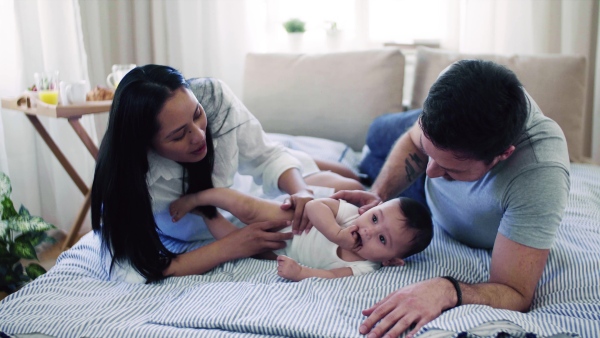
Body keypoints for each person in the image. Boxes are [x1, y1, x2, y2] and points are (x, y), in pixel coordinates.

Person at [333, 59, 570, 338]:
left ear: (503, 154)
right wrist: (379, 195)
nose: (431, 172)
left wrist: (446, 289)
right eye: (430, 154)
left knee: (372, 154)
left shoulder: (540, 175)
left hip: (421, 211)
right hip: (409, 176)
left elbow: (516, 291)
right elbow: (414, 141)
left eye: (450, 168)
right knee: (376, 134)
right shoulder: (453, 85)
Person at [90, 64, 362, 283]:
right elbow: (136, 270)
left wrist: (300, 191)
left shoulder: (214, 98)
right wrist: (233, 246)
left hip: (251, 189)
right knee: (345, 181)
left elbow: (266, 156)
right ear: (146, 145)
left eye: (197, 115)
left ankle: (304, 155)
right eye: (178, 135)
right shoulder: (127, 180)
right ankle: (305, 156)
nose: (198, 137)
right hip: (238, 204)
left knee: (353, 181)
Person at [169, 187, 433, 281]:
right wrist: (337, 234)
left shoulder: (365, 266)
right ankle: (201, 194)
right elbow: (316, 207)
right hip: (291, 220)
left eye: (382, 239)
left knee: (234, 241)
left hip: (282, 249)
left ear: (391, 261)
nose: (369, 230)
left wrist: (302, 273)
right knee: (247, 209)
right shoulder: (351, 214)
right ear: (370, 209)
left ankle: (207, 212)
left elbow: (330, 275)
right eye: (375, 218)